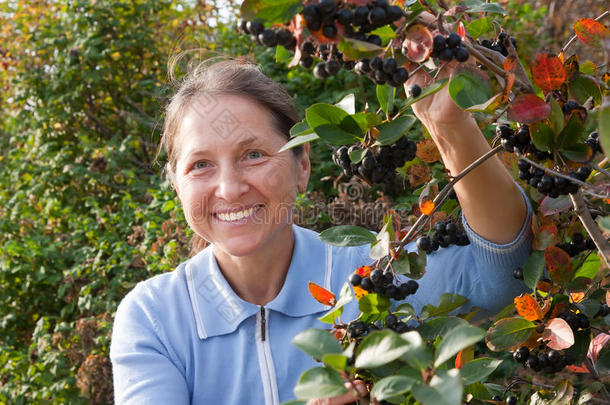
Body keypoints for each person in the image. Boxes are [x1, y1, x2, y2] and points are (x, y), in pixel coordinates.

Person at [109, 56, 533, 404]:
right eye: (200, 164)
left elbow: (499, 276)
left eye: (253, 154)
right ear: (177, 182)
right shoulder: (156, 317)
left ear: (303, 165)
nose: (230, 188)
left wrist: (450, 128)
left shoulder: (370, 276)